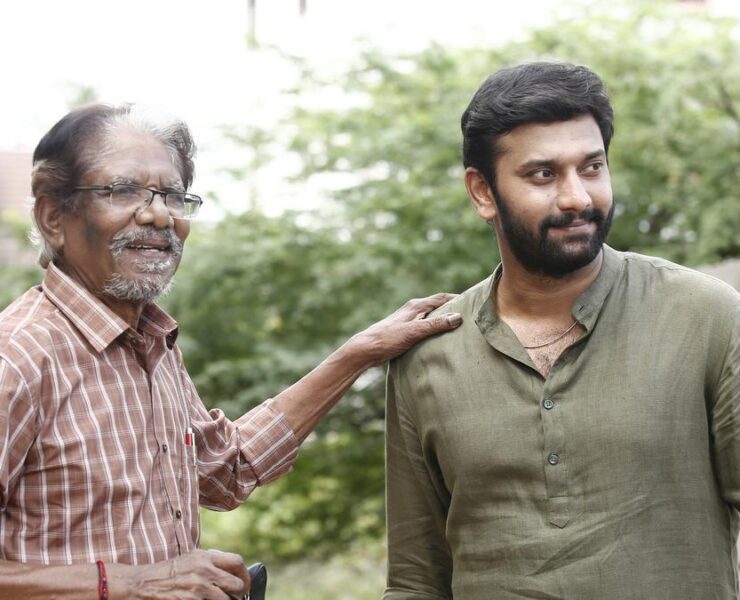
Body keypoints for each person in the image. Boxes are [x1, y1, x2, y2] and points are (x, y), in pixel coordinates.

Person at [0, 103, 463, 600]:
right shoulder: (18, 358)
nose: (159, 215)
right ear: (53, 217)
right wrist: (134, 582)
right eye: (123, 191)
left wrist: (359, 354)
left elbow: (226, 470)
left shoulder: (151, 345)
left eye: (173, 196)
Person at [384, 61, 740, 599]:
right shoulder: (429, 352)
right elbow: (416, 581)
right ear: (482, 192)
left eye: (592, 167)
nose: (577, 197)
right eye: (543, 175)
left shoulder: (704, 315)